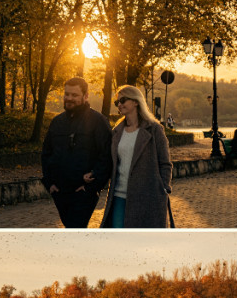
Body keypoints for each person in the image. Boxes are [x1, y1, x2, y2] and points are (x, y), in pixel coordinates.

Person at [41, 77, 112, 228]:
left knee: (75, 229)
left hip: (83, 192)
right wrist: (50, 184)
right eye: (67, 94)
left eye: (74, 95)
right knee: (71, 228)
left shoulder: (98, 121)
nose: (69, 98)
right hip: (59, 191)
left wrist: (92, 186)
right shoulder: (57, 122)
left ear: (85, 96)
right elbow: (46, 153)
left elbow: (106, 156)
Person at [100, 85, 174, 229]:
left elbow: (165, 163)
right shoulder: (117, 131)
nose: (119, 104)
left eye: (123, 100)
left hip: (147, 197)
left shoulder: (154, 129)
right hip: (119, 195)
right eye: (117, 102)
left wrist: (164, 189)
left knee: (143, 243)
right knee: (119, 241)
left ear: (135, 101)